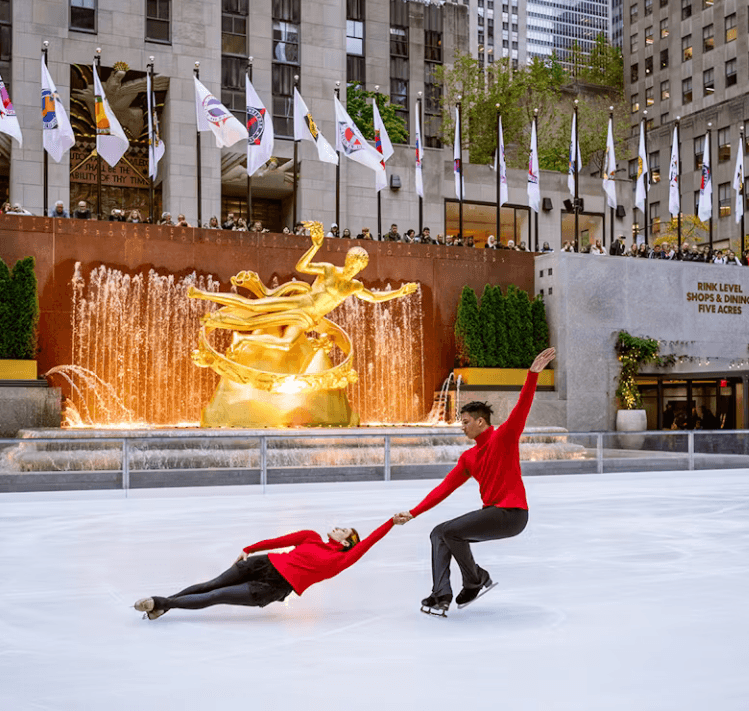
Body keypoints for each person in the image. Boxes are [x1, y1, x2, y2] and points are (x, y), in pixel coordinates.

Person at [393, 346, 557, 616]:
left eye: (466, 421)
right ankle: (441, 594)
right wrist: (412, 513)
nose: (462, 426)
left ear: (481, 422)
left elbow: (522, 407)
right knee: (438, 533)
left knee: (449, 531)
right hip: (493, 514)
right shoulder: (469, 458)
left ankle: (475, 579)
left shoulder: (504, 437)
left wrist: (532, 375)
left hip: (512, 514)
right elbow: (443, 489)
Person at [188, 221, 417, 352]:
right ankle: (200, 294)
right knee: (255, 307)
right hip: (302, 302)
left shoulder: (354, 286)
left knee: (280, 340)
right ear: (347, 260)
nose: (354, 267)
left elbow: (374, 298)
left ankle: (240, 337)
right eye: (352, 262)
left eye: (359, 265)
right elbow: (302, 265)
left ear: (361, 269)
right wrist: (316, 245)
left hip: (310, 318)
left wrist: (399, 292)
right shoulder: (329, 269)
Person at [134, 520, 395, 619]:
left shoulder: (341, 561)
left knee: (216, 597)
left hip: (272, 588)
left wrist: (392, 522)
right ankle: (163, 606)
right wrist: (250, 548)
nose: (338, 526)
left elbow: (370, 541)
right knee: (210, 585)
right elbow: (279, 542)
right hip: (263, 564)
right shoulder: (311, 536)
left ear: (348, 541)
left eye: (344, 529)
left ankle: (159, 602)